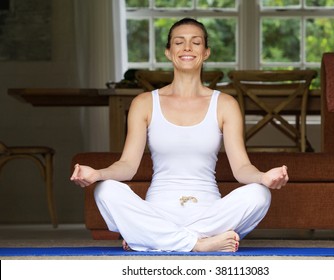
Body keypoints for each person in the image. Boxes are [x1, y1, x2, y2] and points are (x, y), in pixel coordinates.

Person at [70, 17, 288, 252]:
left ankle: (149, 239)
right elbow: (127, 165)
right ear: (168, 51)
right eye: (178, 42)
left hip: (209, 215)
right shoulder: (144, 103)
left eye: (195, 42)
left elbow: (241, 168)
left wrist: (263, 178)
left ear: (206, 52)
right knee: (106, 189)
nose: (187, 48)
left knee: (259, 195)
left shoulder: (225, 104)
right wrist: (98, 174)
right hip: (158, 212)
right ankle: (196, 244)